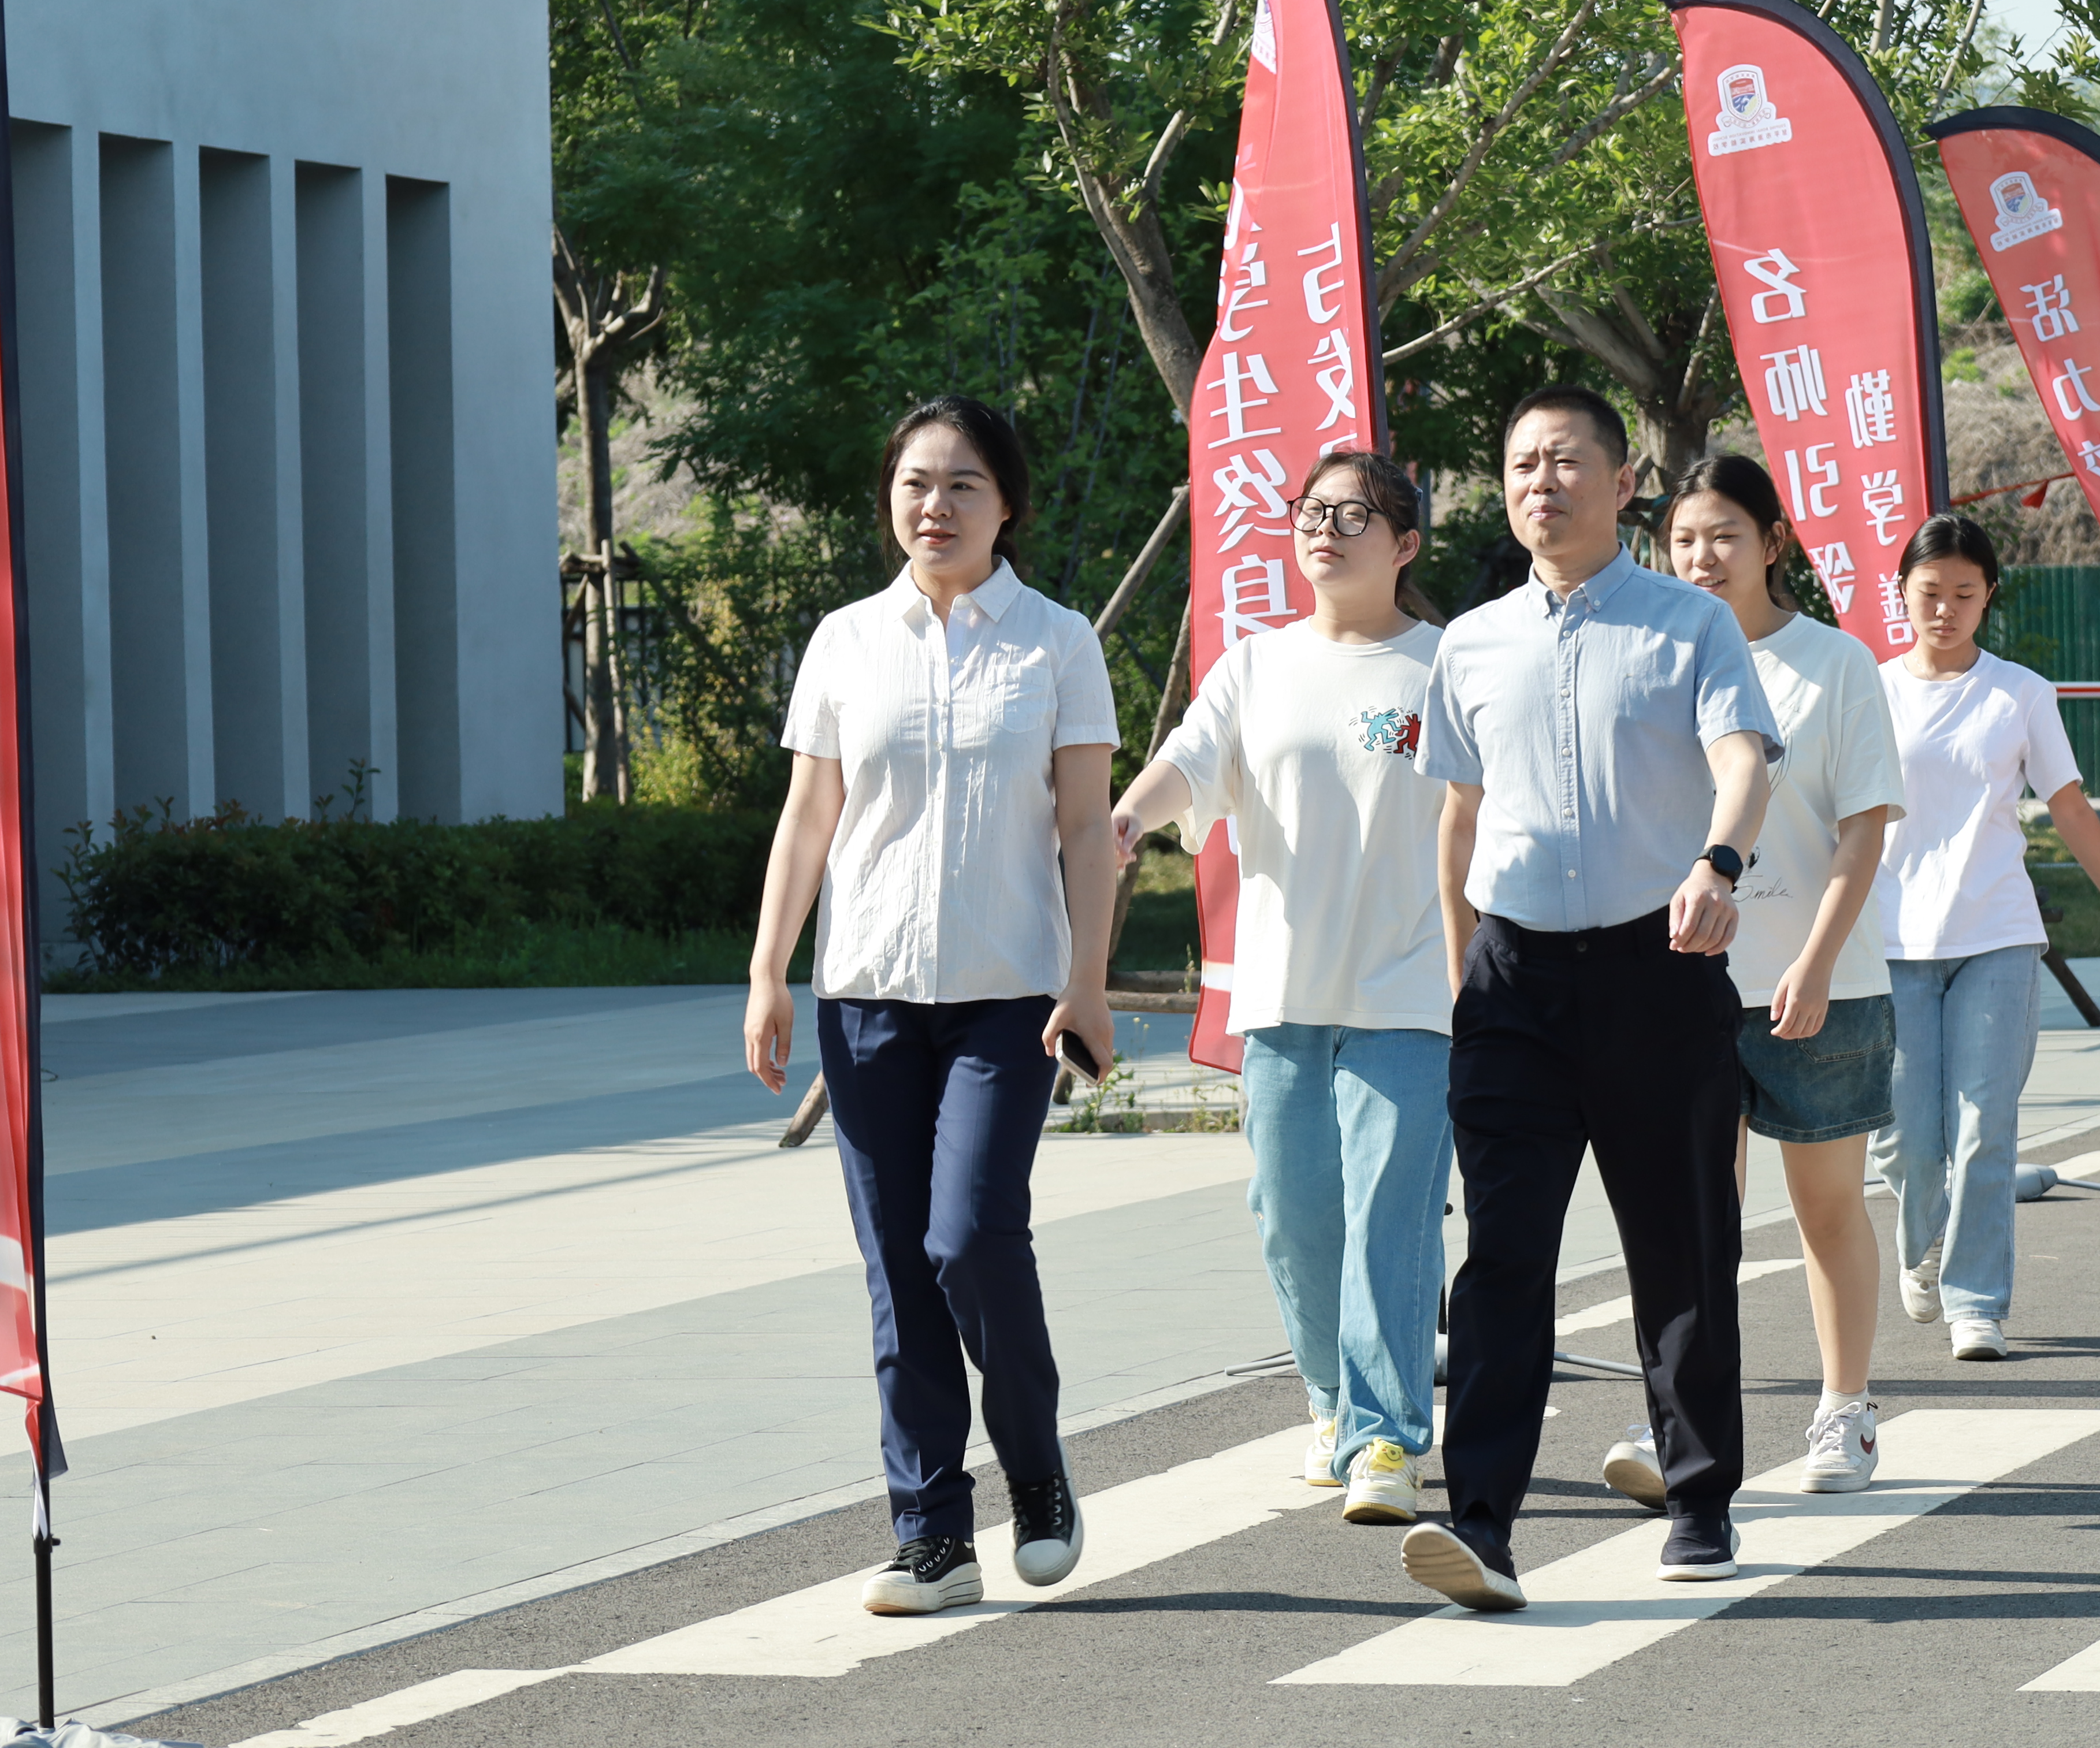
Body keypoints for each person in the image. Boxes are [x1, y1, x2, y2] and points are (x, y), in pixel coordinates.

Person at [1402, 385, 1778, 1611]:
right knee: (1504, 1257)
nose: (1541, 484)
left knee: (1681, 1245)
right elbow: (1459, 816)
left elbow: (1742, 759)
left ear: (1623, 485)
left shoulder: (1691, 624)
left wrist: (1719, 863)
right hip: (1511, 983)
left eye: (1566, 462)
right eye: (1521, 465)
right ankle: (1482, 1525)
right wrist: (1462, 966)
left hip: (1656, 969)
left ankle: (1701, 1495)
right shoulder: (1469, 643)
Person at [744, 397, 1117, 1616]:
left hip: (1009, 999)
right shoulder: (848, 641)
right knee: (898, 1267)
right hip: (867, 999)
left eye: (963, 485)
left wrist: (1089, 982)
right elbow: (810, 815)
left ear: (1008, 505)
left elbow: (1086, 830)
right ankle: (932, 1536)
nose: (935, 506)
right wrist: (769, 970)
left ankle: (1036, 1470)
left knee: (969, 1238)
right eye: (914, 483)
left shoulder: (1057, 643)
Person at [1109, 450, 1452, 1528]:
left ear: (1404, 544)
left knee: (1391, 1220)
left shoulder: (1447, 669)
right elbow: (1187, 764)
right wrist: (1129, 817)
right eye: (1311, 511)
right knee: (1292, 1219)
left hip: (1413, 994)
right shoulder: (1255, 667)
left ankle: (1387, 1438)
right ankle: (1333, 1401)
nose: (1325, 531)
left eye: (1355, 516)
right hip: (1284, 997)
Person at [1641, 455, 1905, 1496]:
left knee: (1826, 1209)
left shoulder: (1833, 663)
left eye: (1725, 537)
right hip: (1686, 987)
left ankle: (1847, 1412)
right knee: (1696, 1221)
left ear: (1773, 543)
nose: (1703, 558)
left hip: (1820, 985)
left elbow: (1864, 827)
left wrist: (1817, 961)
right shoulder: (1655, 661)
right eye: (1684, 540)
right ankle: (1683, 1419)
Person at [1872, 514, 2100, 1365]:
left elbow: (2067, 805)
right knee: (1904, 1134)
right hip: (1889, 940)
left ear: (1988, 597)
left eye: (1965, 594)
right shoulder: (1872, 690)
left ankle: (1976, 1301)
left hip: (1997, 934)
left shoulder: (2020, 693)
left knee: (1984, 1126)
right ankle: (1925, 1240)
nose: (1946, 609)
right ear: (1902, 593)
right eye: (1930, 592)